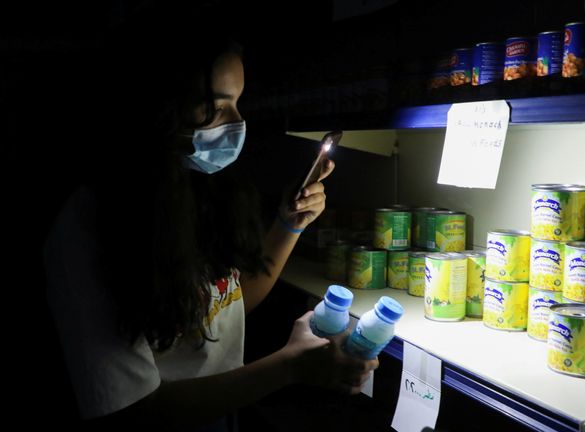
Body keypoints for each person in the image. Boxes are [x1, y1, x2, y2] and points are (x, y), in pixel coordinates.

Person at [42, 4, 377, 430]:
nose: (237, 123)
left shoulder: (190, 189)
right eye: (216, 108)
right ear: (155, 109)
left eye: (237, 103)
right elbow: (131, 412)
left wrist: (290, 224)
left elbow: (224, 305)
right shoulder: (89, 230)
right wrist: (290, 367)